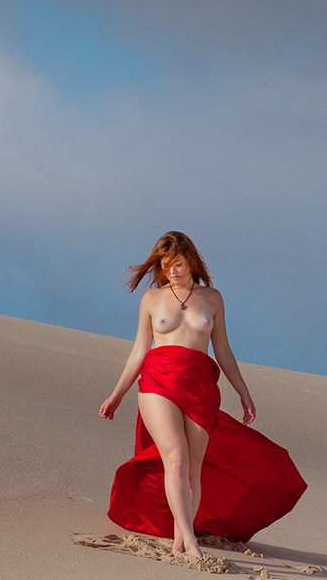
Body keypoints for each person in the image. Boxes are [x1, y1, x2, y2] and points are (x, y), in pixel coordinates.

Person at [100, 231, 306, 562]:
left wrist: (244, 393)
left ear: (191, 260)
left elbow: (222, 350)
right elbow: (139, 351)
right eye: (166, 265)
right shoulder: (152, 300)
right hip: (157, 381)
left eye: (178, 263)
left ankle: (181, 539)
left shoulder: (212, 299)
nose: (172, 271)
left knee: (193, 468)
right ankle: (189, 541)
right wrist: (116, 395)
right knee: (176, 458)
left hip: (200, 386)